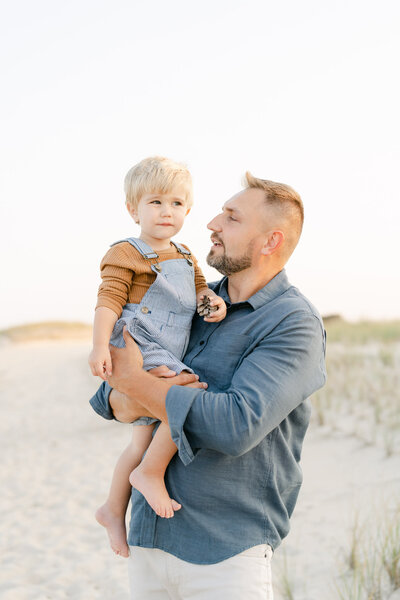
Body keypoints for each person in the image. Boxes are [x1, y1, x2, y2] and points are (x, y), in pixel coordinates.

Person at [92, 172, 327, 599]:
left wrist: (135, 384)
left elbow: (234, 426)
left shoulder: (293, 324)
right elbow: (107, 399)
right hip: (148, 541)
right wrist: (130, 389)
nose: (211, 222)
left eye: (232, 217)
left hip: (226, 553)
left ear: (269, 241)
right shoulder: (191, 301)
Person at [88, 156, 226, 559]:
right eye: (156, 202)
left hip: (167, 346)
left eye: (177, 204)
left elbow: (199, 291)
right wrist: (99, 346)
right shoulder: (126, 253)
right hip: (139, 340)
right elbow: (108, 301)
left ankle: (112, 509)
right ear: (133, 209)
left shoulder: (185, 256)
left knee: (141, 437)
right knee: (183, 393)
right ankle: (149, 472)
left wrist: (212, 302)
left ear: (188, 210)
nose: (168, 212)